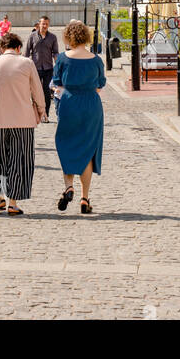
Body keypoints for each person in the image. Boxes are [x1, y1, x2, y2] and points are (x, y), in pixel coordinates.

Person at [0, 31, 45, 214]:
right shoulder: (27, 63)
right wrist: (41, 110)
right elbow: (37, 91)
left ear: (2, 48)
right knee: (19, 160)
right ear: (19, 48)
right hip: (22, 120)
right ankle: (12, 202)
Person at [51, 19, 105, 215]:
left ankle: (68, 186)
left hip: (69, 103)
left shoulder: (63, 59)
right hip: (91, 104)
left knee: (66, 144)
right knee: (89, 149)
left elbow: (57, 82)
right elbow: (100, 84)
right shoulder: (96, 59)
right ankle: (85, 198)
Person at [24, 15, 59, 120]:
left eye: (46, 24)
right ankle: (35, 113)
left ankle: (45, 114)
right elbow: (26, 52)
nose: (44, 26)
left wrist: (57, 64)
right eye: (43, 23)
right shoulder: (32, 36)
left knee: (47, 92)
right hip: (35, 68)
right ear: (39, 24)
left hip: (48, 68)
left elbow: (55, 52)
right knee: (35, 92)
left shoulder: (52, 37)